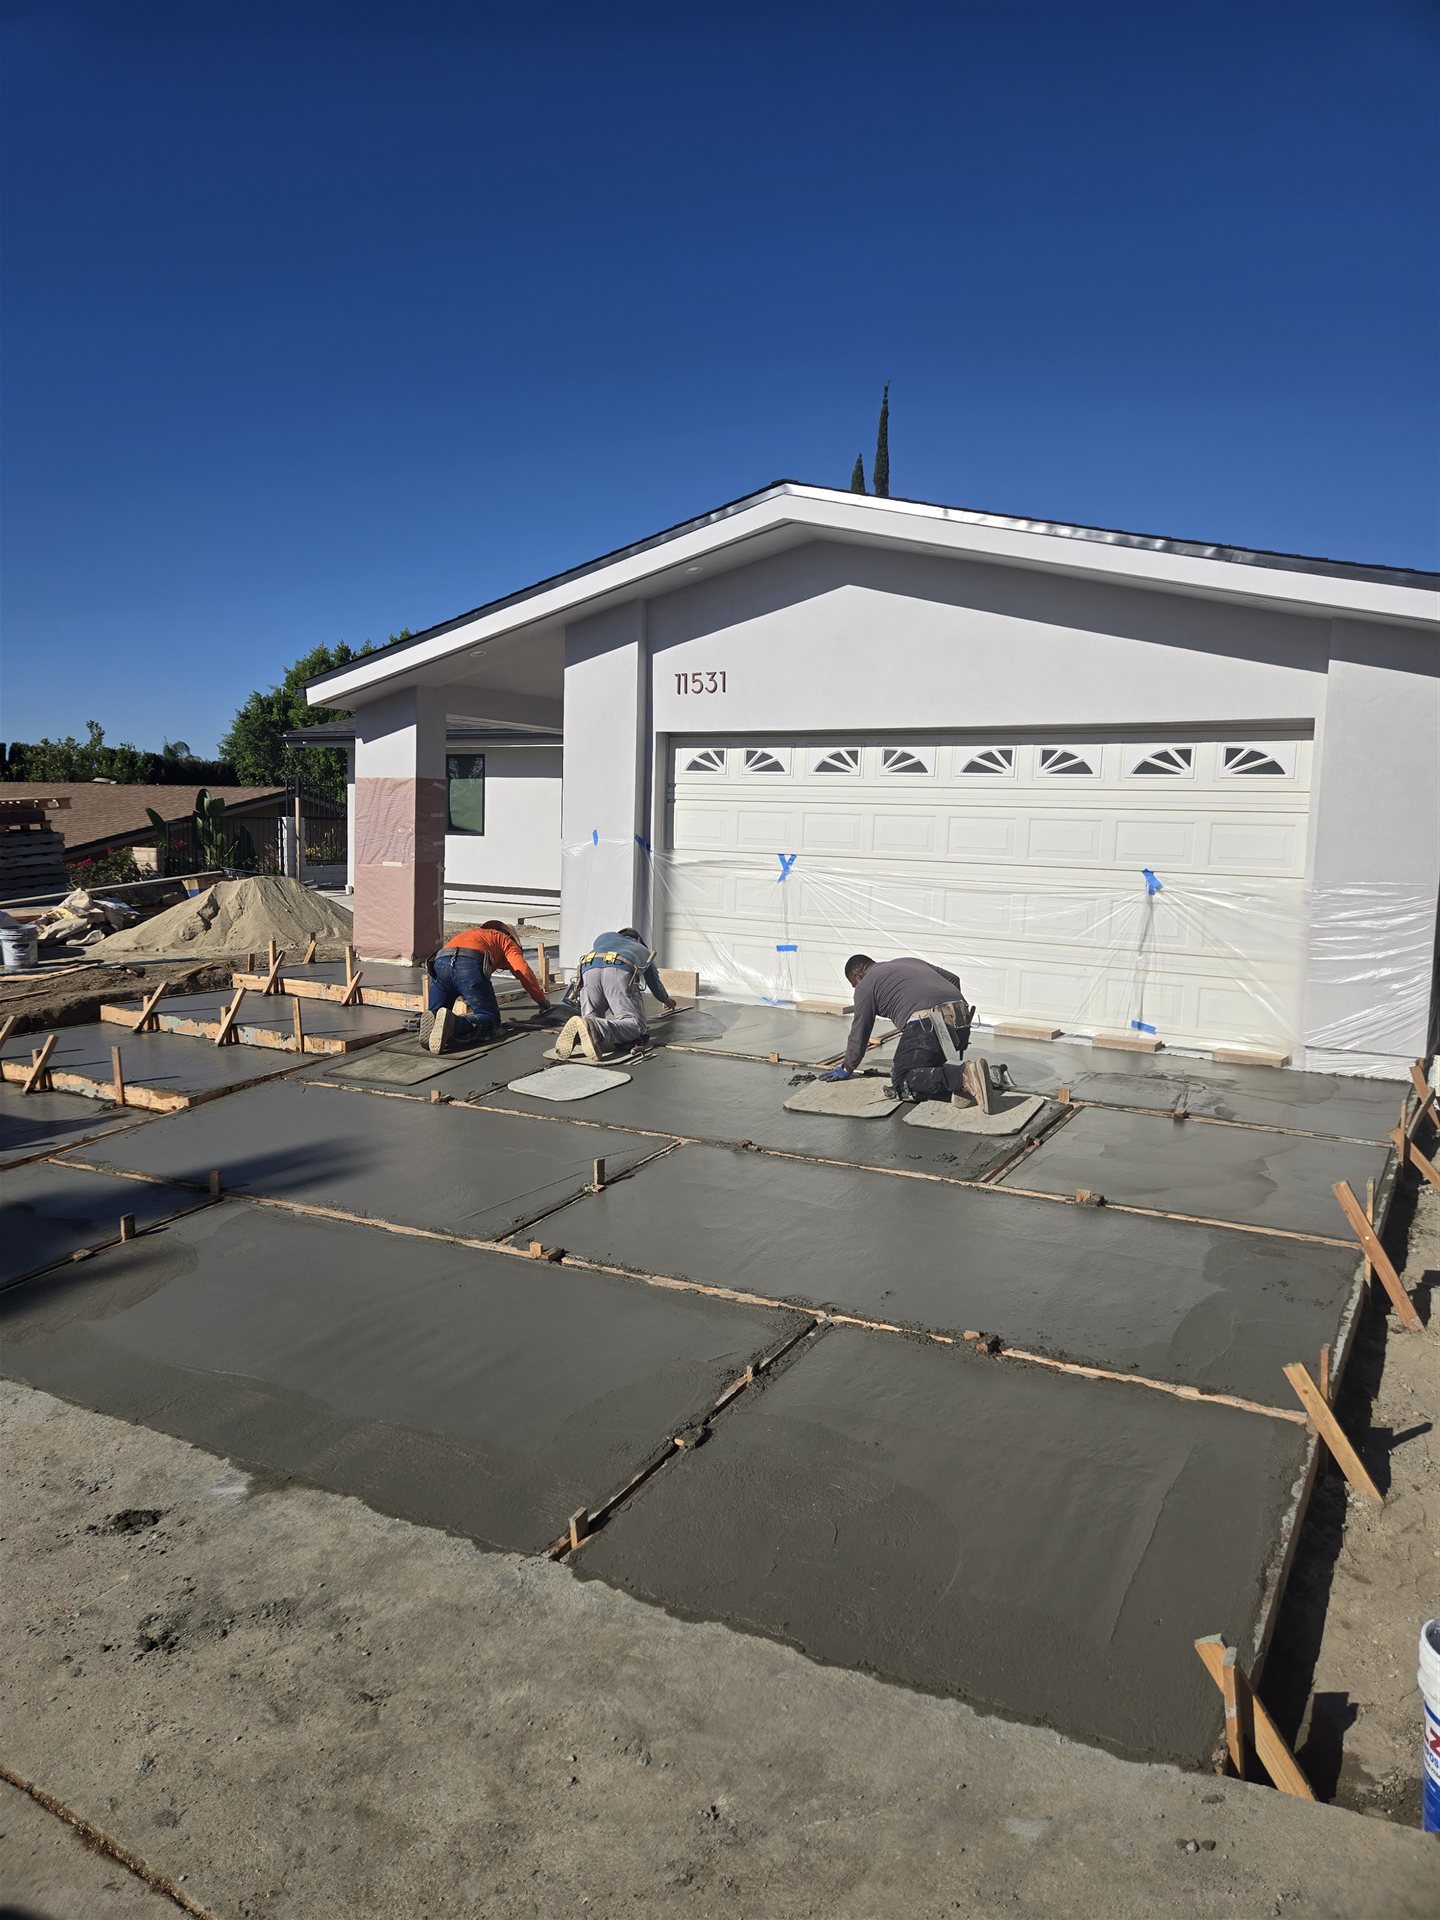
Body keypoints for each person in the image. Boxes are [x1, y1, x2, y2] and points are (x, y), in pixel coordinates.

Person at [823, 953, 993, 1110]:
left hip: (928, 1022)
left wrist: (847, 1067)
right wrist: (951, 1015)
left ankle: (965, 1075)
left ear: (857, 976)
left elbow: (861, 1029)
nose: (855, 988)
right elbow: (953, 979)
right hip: (962, 1016)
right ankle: (993, 1075)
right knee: (927, 1068)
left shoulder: (865, 986)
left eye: (854, 984)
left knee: (902, 1080)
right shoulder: (908, 961)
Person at [420, 920, 552, 1054]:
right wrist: (541, 1000)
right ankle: (454, 1024)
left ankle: (434, 1020)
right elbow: (523, 971)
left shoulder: (473, 933)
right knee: (490, 1018)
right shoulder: (506, 941)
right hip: (467, 965)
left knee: (436, 1012)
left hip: (440, 962)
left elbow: (457, 967)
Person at [556, 927, 677, 1061]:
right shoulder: (643, 949)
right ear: (638, 939)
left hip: (588, 968)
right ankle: (595, 1026)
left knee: (590, 1016)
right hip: (619, 969)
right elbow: (654, 984)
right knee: (635, 1024)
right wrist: (666, 1000)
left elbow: (599, 949)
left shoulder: (604, 937)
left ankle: (586, 1030)